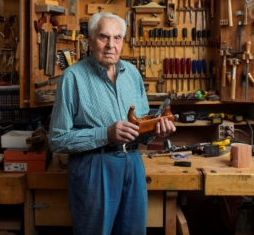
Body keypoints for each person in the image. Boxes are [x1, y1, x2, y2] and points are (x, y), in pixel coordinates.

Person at [48, 12, 177, 235]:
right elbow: (57, 140)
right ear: (89, 40)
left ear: (123, 42)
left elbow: (141, 129)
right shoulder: (73, 77)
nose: (111, 45)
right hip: (94, 167)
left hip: (133, 164)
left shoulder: (133, 74)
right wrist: (106, 134)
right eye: (103, 37)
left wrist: (156, 129)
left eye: (117, 38)